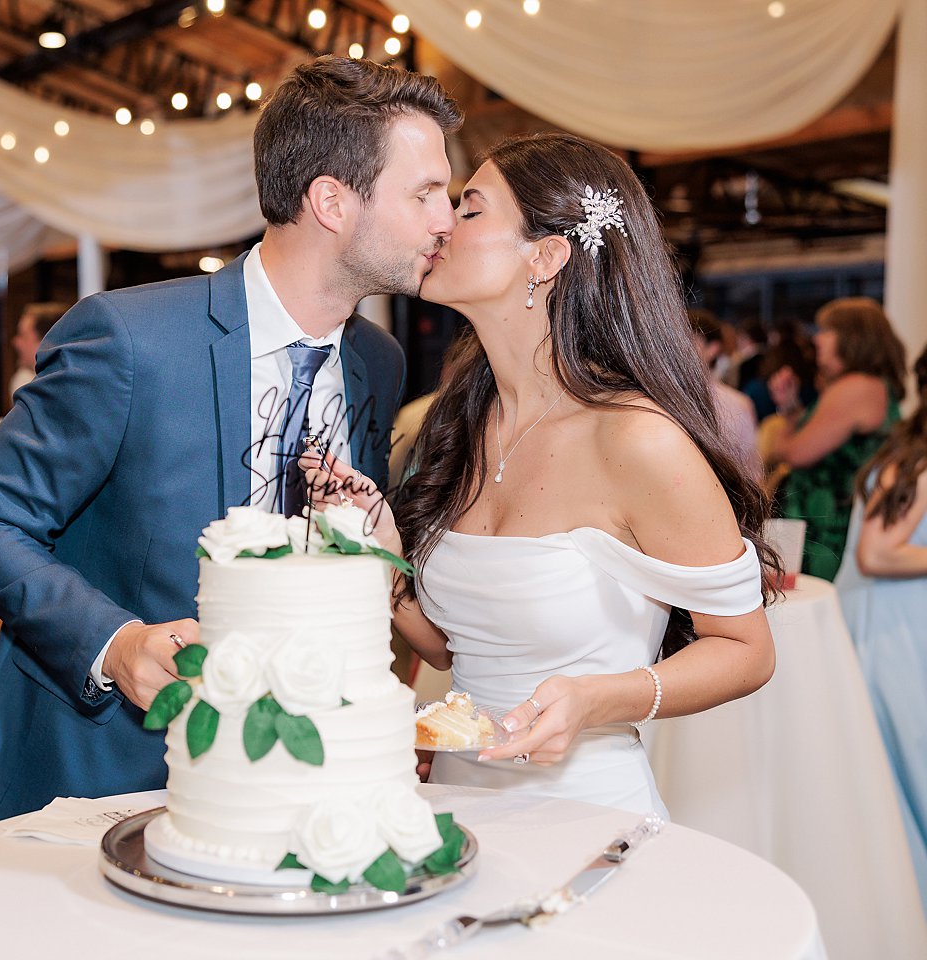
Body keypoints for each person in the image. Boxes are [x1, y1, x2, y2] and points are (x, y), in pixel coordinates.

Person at [0, 56, 461, 835]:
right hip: (99, 776)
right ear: (331, 201)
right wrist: (115, 644)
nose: (446, 218)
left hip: (284, 794)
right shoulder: (131, 339)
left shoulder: (376, 365)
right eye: (425, 193)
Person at [306, 132, 776, 818]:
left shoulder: (636, 440)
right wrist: (378, 545)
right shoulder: (465, 421)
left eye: (469, 209)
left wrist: (597, 699)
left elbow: (746, 649)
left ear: (546, 257)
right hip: (458, 810)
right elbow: (450, 649)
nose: (441, 224)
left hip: (588, 819)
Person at [835, 345, 927, 917]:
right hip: (893, 636)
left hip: (899, 627)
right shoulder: (914, 462)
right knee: (904, 770)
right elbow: (876, 553)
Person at [770, 298, 906, 580]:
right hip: (829, 520)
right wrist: (789, 408)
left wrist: (780, 436)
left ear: (851, 337)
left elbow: (795, 453)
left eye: (826, 330)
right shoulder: (865, 385)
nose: (816, 338)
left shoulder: (855, 388)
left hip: (829, 528)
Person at [687, 309, 759, 476]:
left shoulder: (737, 404)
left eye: (690, 340)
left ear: (712, 348)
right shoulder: (660, 397)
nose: (679, 348)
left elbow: (751, 471)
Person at [7, 303, 70, 400]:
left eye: (23, 336)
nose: (15, 342)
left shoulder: (72, 384)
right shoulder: (23, 378)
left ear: (46, 341)